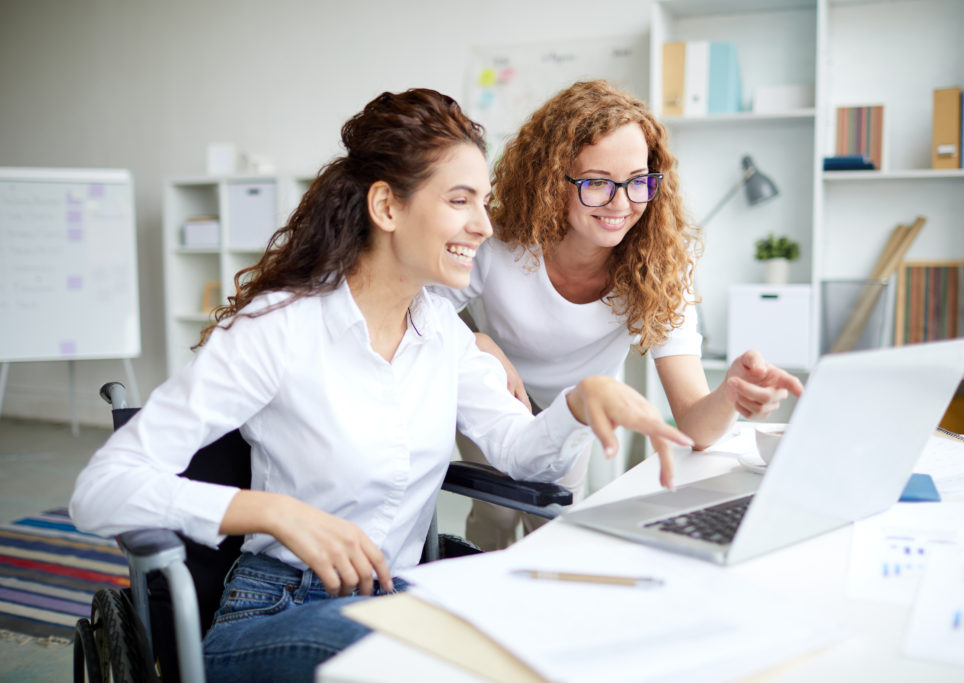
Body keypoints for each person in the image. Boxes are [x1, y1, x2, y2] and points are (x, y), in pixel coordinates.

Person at [69, 88, 690, 682]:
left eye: (484, 201)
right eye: (460, 201)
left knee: (571, 630)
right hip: (276, 610)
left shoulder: (443, 335)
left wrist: (579, 403)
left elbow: (519, 454)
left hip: (399, 598)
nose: (483, 225)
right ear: (388, 207)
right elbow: (101, 490)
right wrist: (274, 513)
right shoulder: (277, 328)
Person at [432, 80, 803, 550]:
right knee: (497, 517)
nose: (622, 203)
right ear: (551, 179)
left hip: (581, 412)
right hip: (496, 399)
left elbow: (693, 425)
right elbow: (420, 307)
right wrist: (478, 343)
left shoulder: (660, 268)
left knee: (556, 529)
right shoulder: (499, 241)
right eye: (597, 183)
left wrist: (730, 394)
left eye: (637, 181)